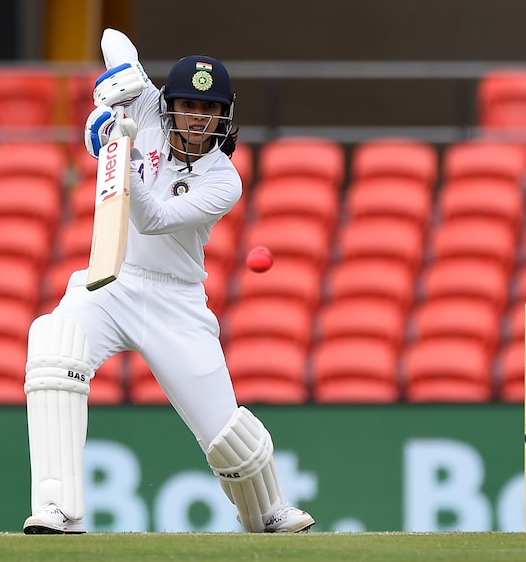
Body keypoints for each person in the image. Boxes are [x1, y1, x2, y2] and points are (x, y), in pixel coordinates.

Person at [22, 28, 315, 535]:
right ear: (169, 103)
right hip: (109, 281)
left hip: (175, 299)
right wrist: (114, 85)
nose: (198, 118)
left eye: (210, 109)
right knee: (54, 349)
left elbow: (152, 219)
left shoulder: (225, 179)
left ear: (223, 116)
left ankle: (267, 512)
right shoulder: (146, 105)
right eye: (188, 105)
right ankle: (57, 509)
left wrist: (121, 155)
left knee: (226, 437)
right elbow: (114, 38)